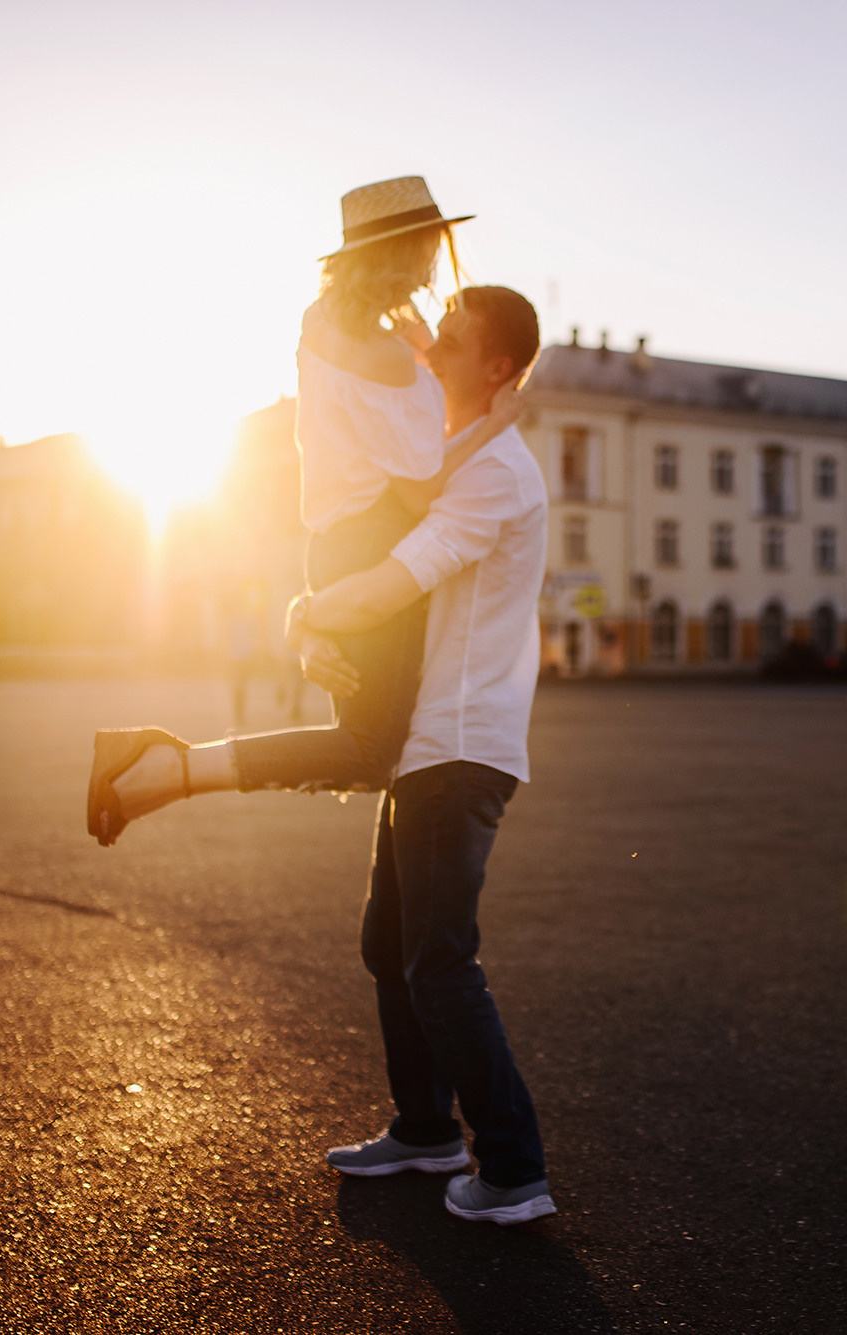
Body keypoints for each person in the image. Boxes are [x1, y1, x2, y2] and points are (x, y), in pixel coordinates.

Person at [85, 176, 521, 842]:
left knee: (366, 741)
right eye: (430, 246)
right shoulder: (390, 358)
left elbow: (369, 420)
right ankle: (167, 766)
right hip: (377, 539)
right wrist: (491, 424)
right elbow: (418, 490)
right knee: (369, 749)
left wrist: (421, 345)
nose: (436, 261)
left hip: (331, 540)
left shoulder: (321, 324)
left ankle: (163, 765)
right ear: (408, 254)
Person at [304, 285, 552, 1224]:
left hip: (458, 746)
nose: (426, 346)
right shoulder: (469, 456)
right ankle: (424, 1129)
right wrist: (430, 367)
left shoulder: (496, 476)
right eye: (430, 330)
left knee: (440, 962)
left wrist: (304, 616)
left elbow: (395, 578)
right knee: (390, 945)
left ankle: (514, 1168)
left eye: (450, 339)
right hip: (425, 745)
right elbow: (422, 458)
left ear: (496, 367)